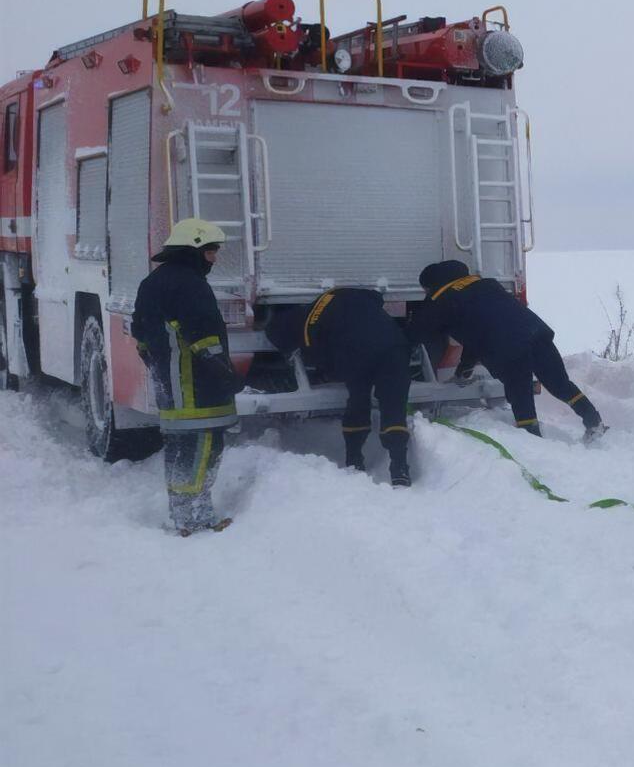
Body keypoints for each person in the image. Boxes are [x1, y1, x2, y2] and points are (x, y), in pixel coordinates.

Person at [411, 260, 606, 441]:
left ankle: (533, 440)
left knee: (520, 394)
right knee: (560, 384)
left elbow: (419, 333)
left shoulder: (443, 302)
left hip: (507, 347)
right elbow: (475, 334)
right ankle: (594, 422)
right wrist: (464, 369)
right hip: (537, 334)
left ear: (433, 285)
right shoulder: (488, 285)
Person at [132, 218, 239, 535]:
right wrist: (225, 372)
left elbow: (141, 333)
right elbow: (203, 334)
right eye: (210, 252)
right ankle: (196, 517)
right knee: (204, 446)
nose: (214, 259)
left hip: (170, 384)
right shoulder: (190, 284)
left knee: (180, 449)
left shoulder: (152, 282)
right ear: (193, 249)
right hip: (196, 385)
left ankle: (182, 514)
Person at [265, 288, 413, 486]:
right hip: (396, 348)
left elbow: (317, 354)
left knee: (358, 401)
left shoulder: (310, 320)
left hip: (355, 351)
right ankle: (400, 468)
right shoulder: (360, 301)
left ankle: (354, 461)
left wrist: (328, 371)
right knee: (394, 407)